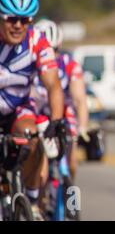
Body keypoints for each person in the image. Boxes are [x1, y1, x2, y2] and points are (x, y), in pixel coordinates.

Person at [0, 0, 65, 220]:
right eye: (11, 19)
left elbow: (53, 85)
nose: (18, 25)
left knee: (32, 137)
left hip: (19, 108)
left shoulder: (37, 42)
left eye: (25, 19)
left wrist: (57, 121)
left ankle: (32, 200)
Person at [32, 18, 89, 180]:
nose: (52, 56)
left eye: (55, 50)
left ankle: (68, 187)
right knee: (41, 169)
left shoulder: (70, 65)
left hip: (63, 112)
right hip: (39, 112)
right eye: (47, 51)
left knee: (71, 162)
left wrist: (82, 127)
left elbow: (80, 100)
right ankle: (39, 201)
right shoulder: (31, 63)